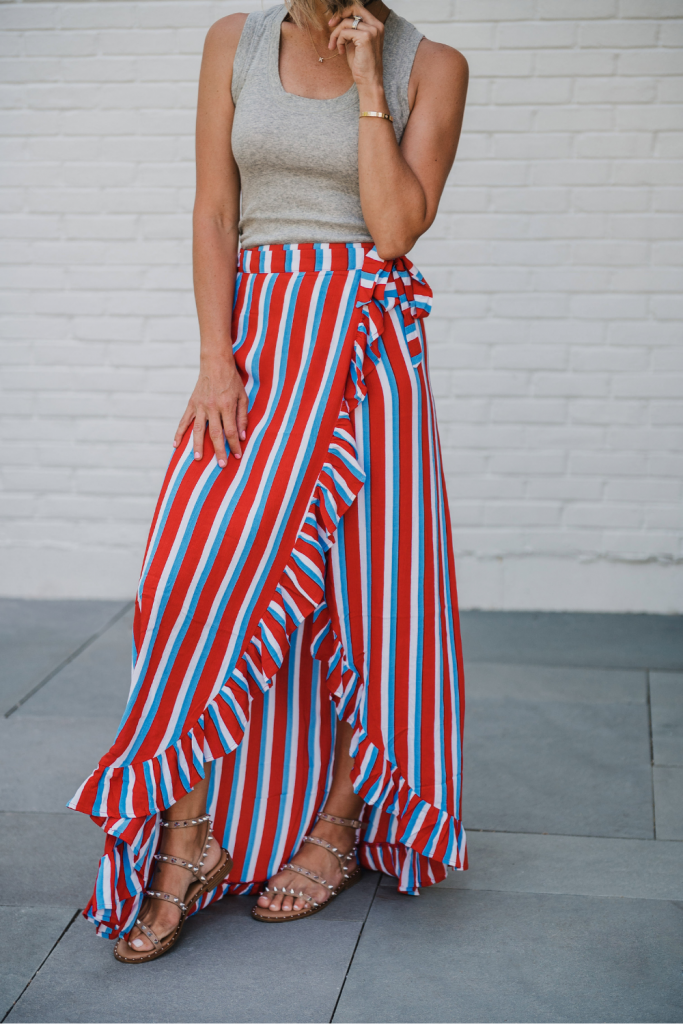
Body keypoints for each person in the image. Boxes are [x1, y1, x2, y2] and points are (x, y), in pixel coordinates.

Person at [70, 0, 469, 963]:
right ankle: (188, 836)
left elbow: (396, 228)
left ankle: (336, 829)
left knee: (368, 590)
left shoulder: (432, 63)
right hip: (256, 339)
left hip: (363, 346)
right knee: (188, 577)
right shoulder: (234, 41)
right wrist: (217, 358)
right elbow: (214, 206)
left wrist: (372, 85)